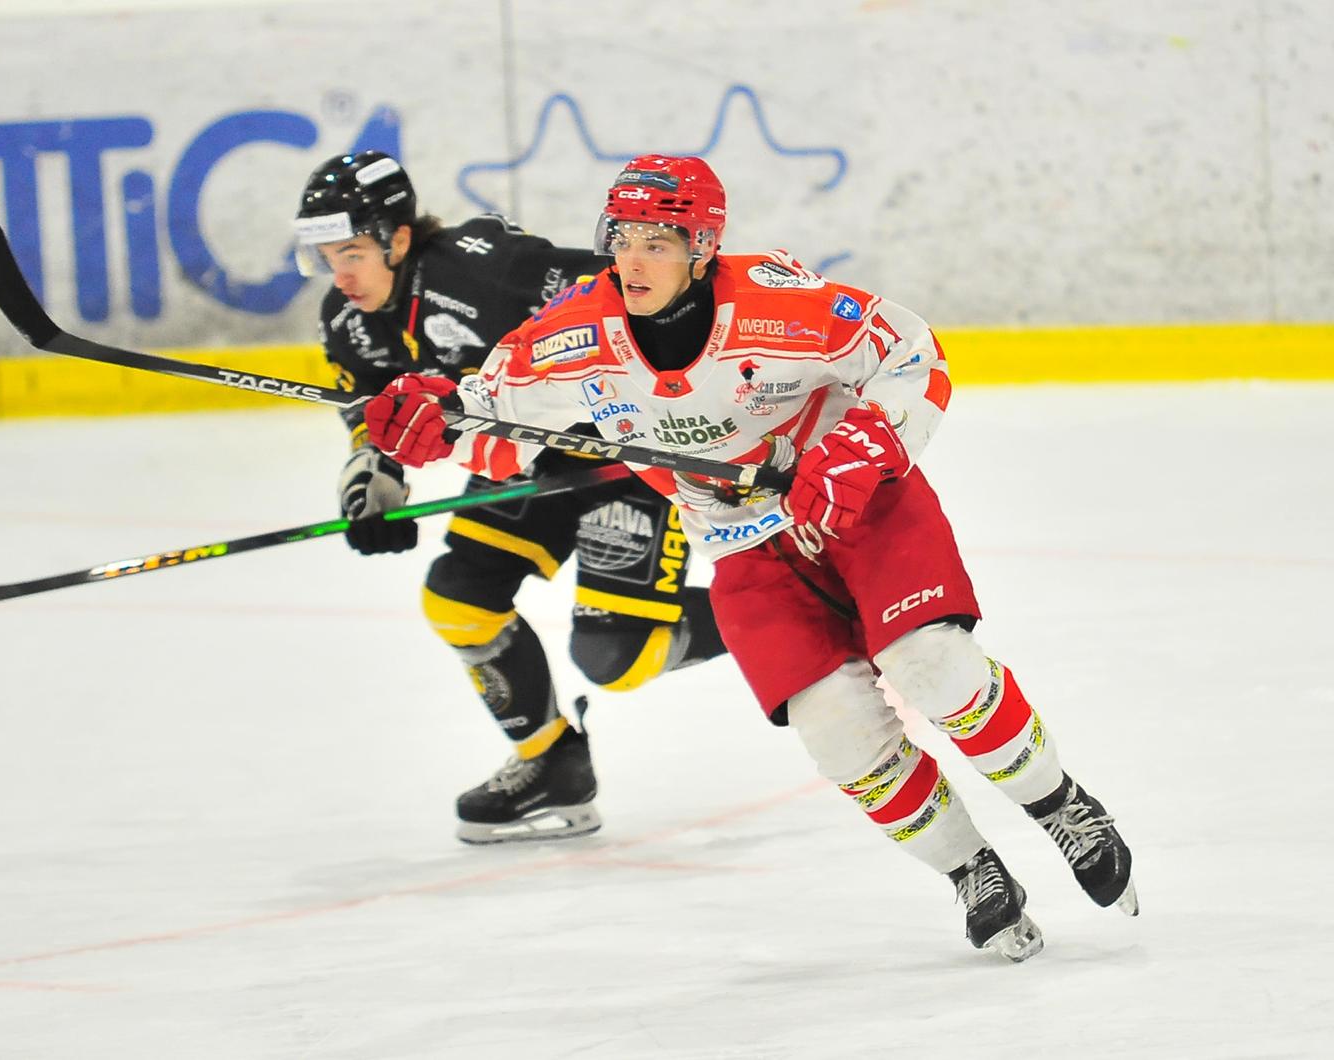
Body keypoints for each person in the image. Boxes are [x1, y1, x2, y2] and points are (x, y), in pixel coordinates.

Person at [359, 154, 1137, 961]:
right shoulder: (575, 333)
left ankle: (1061, 807)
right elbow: (492, 416)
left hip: (856, 504)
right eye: (622, 238)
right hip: (743, 543)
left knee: (932, 665)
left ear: (702, 249)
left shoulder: (775, 304)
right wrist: (434, 421)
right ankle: (970, 869)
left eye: (658, 243)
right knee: (835, 729)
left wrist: (861, 446)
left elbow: (909, 349)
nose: (632, 261)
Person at [291, 151, 728, 845]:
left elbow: (626, 289)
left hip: (623, 454)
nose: (340, 276)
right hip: (524, 457)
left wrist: (688, 403)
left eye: (352, 254)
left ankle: (793, 611)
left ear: (397, 239)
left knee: (620, 656)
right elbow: (374, 414)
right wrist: (373, 476)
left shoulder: (485, 269)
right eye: (326, 258)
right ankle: (552, 764)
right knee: (459, 599)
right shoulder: (348, 319)